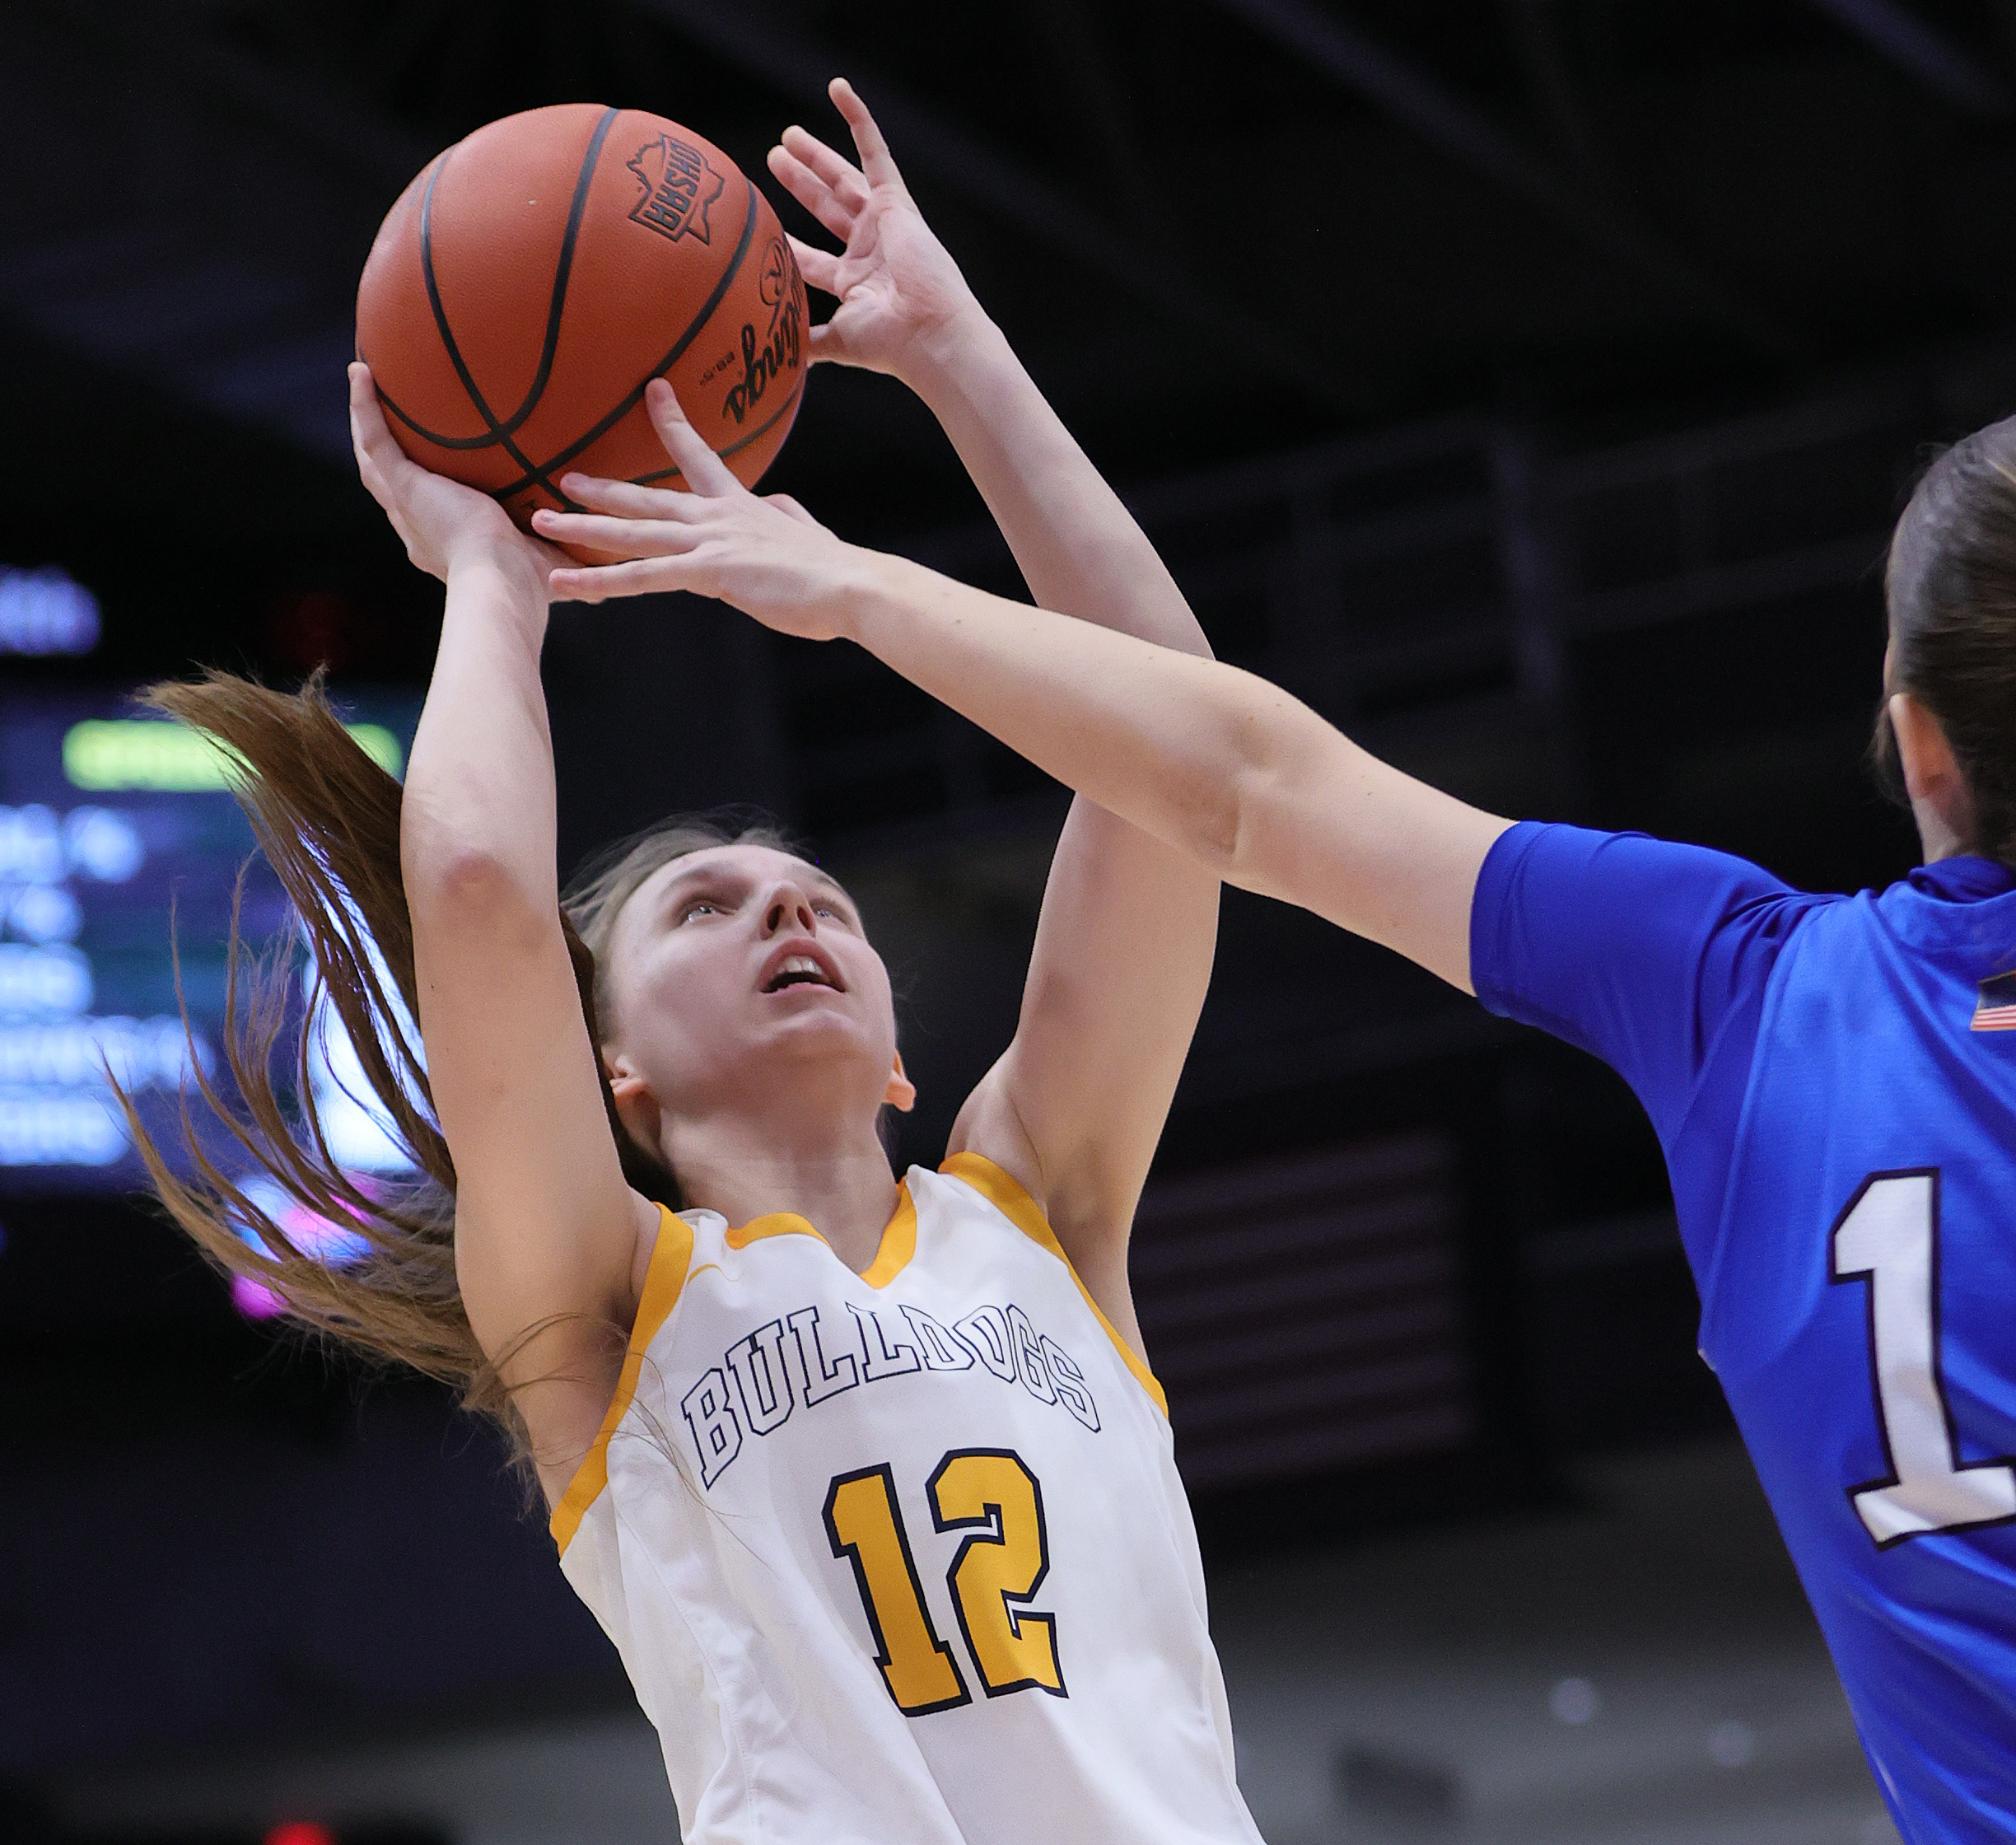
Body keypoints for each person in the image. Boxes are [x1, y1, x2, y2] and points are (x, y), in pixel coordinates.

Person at [543, 395, 2016, 1839]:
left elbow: (1238, 778)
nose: (782, 915)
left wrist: (844, 582)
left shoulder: (1749, 993)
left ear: (1920, 742)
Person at [130, 82, 1265, 1845]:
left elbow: (1183, 758)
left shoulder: (1044, 1211)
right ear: (611, 1079)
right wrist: (488, 581)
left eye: (815, 897)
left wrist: (962, 357)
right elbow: (491, 889)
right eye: (705, 907)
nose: (789, 910)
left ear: (904, 1056)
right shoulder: (601, 1303)